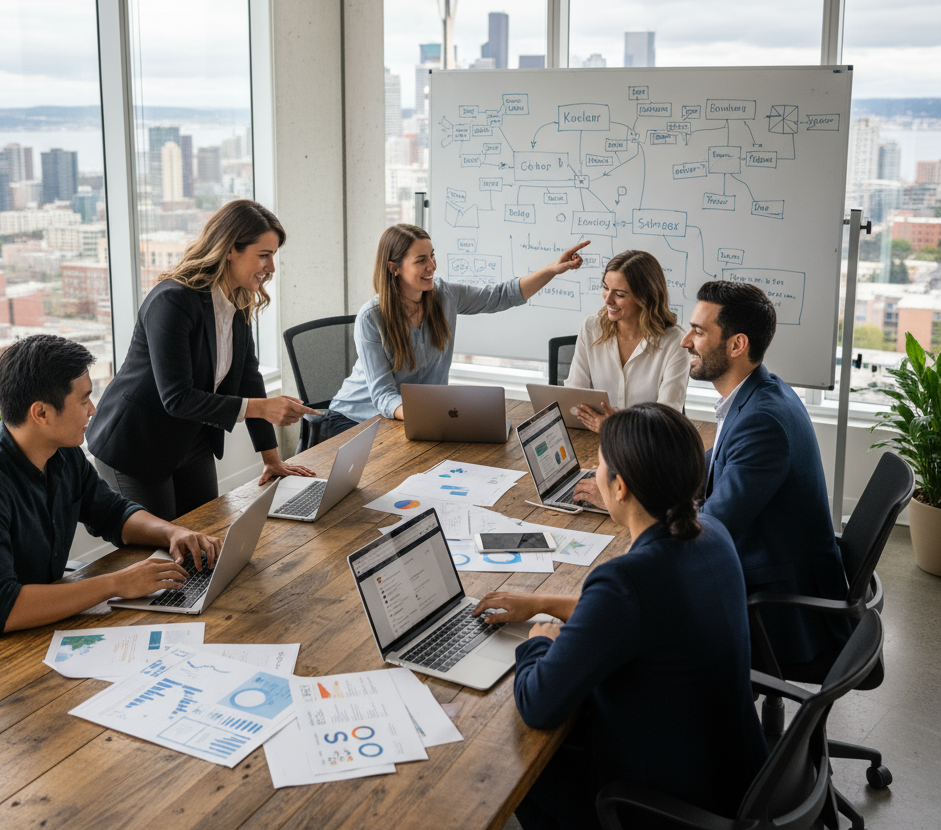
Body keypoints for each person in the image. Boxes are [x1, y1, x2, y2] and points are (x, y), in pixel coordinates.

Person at [472, 404, 767, 830]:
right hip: (731, 774)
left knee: (511, 767)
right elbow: (639, 618)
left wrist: (537, 639)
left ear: (620, 487)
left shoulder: (628, 580)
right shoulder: (711, 533)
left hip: (663, 803)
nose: (592, 476)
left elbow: (538, 704)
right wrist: (542, 603)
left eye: (597, 468)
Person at [0, 336, 220, 646]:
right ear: (42, 414)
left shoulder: (61, 454)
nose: (92, 409)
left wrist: (172, 533)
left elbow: (113, 513)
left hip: (37, 632)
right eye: (83, 400)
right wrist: (118, 582)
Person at [87, 200, 319, 521]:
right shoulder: (172, 300)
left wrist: (271, 458)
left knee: (209, 533)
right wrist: (259, 408)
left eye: (273, 256)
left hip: (191, 439)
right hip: (136, 443)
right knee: (163, 551)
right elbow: (177, 397)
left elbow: (249, 377)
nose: (271, 268)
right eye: (263, 256)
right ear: (229, 250)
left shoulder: (235, 302)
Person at [682, 280, 848, 669]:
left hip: (781, 613)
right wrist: (637, 485)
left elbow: (710, 531)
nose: (686, 340)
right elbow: (712, 467)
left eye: (699, 331)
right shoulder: (755, 395)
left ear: (737, 345)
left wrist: (638, 514)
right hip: (771, 568)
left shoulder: (763, 421)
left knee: (650, 626)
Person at [321, 223, 589, 437]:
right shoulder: (371, 318)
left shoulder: (444, 295)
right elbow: (383, 395)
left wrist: (554, 269)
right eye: (421, 260)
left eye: (432, 255)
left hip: (409, 420)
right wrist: (430, 417)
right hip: (353, 420)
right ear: (394, 268)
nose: (432, 266)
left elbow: (501, 295)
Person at [564, 249, 689, 432]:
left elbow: (667, 419)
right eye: (606, 288)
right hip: (595, 439)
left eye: (620, 294)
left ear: (645, 297)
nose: (608, 300)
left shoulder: (674, 342)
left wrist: (615, 427)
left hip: (646, 448)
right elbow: (575, 398)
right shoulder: (591, 328)